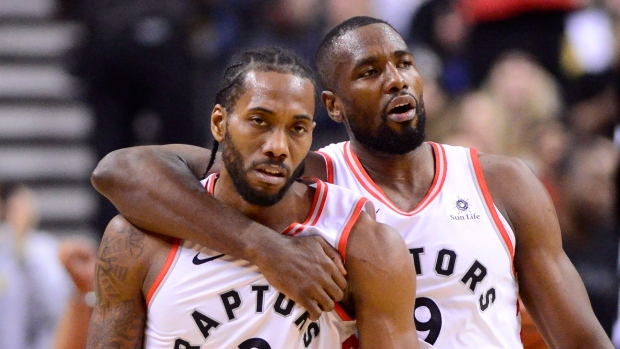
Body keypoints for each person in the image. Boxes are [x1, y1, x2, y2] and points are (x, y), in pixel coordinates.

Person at [91, 16, 613, 347]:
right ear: (333, 107)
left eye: (405, 64)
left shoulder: (501, 182)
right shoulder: (306, 173)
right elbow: (124, 171)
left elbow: (578, 337)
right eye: (369, 71)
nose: (395, 79)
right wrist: (262, 246)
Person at [86, 47, 420, 348]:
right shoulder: (138, 240)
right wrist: (266, 249)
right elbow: (113, 169)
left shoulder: (360, 240)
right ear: (220, 123)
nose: (278, 146)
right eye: (259, 121)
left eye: (297, 128)